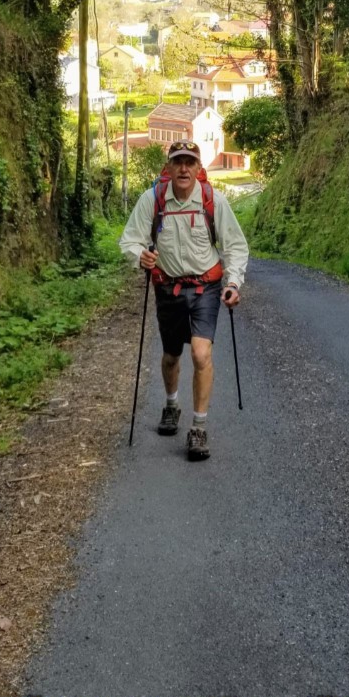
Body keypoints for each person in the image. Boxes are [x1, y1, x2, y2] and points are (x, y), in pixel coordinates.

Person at [119, 139, 249, 460]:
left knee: (201, 355)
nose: (183, 168)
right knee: (171, 357)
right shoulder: (153, 200)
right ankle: (172, 404)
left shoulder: (212, 201)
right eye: (178, 161)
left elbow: (234, 246)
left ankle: (199, 428)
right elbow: (129, 241)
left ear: (199, 168)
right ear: (168, 168)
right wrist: (141, 257)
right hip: (168, 289)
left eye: (190, 162)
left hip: (206, 288)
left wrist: (233, 283)